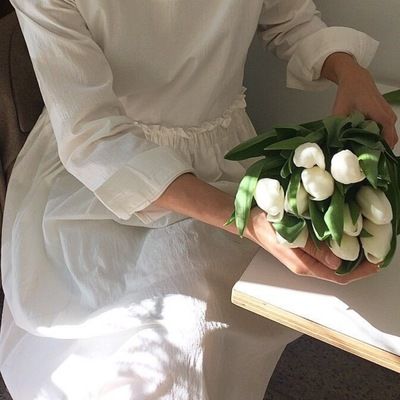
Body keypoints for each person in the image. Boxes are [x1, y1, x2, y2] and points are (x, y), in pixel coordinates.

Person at [0, 0, 397, 399]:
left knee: (207, 331)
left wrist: (349, 71)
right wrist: (246, 219)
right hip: (97, 179)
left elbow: (290, 20)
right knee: (155, 351)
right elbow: (92, 138)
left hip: (220, 162)